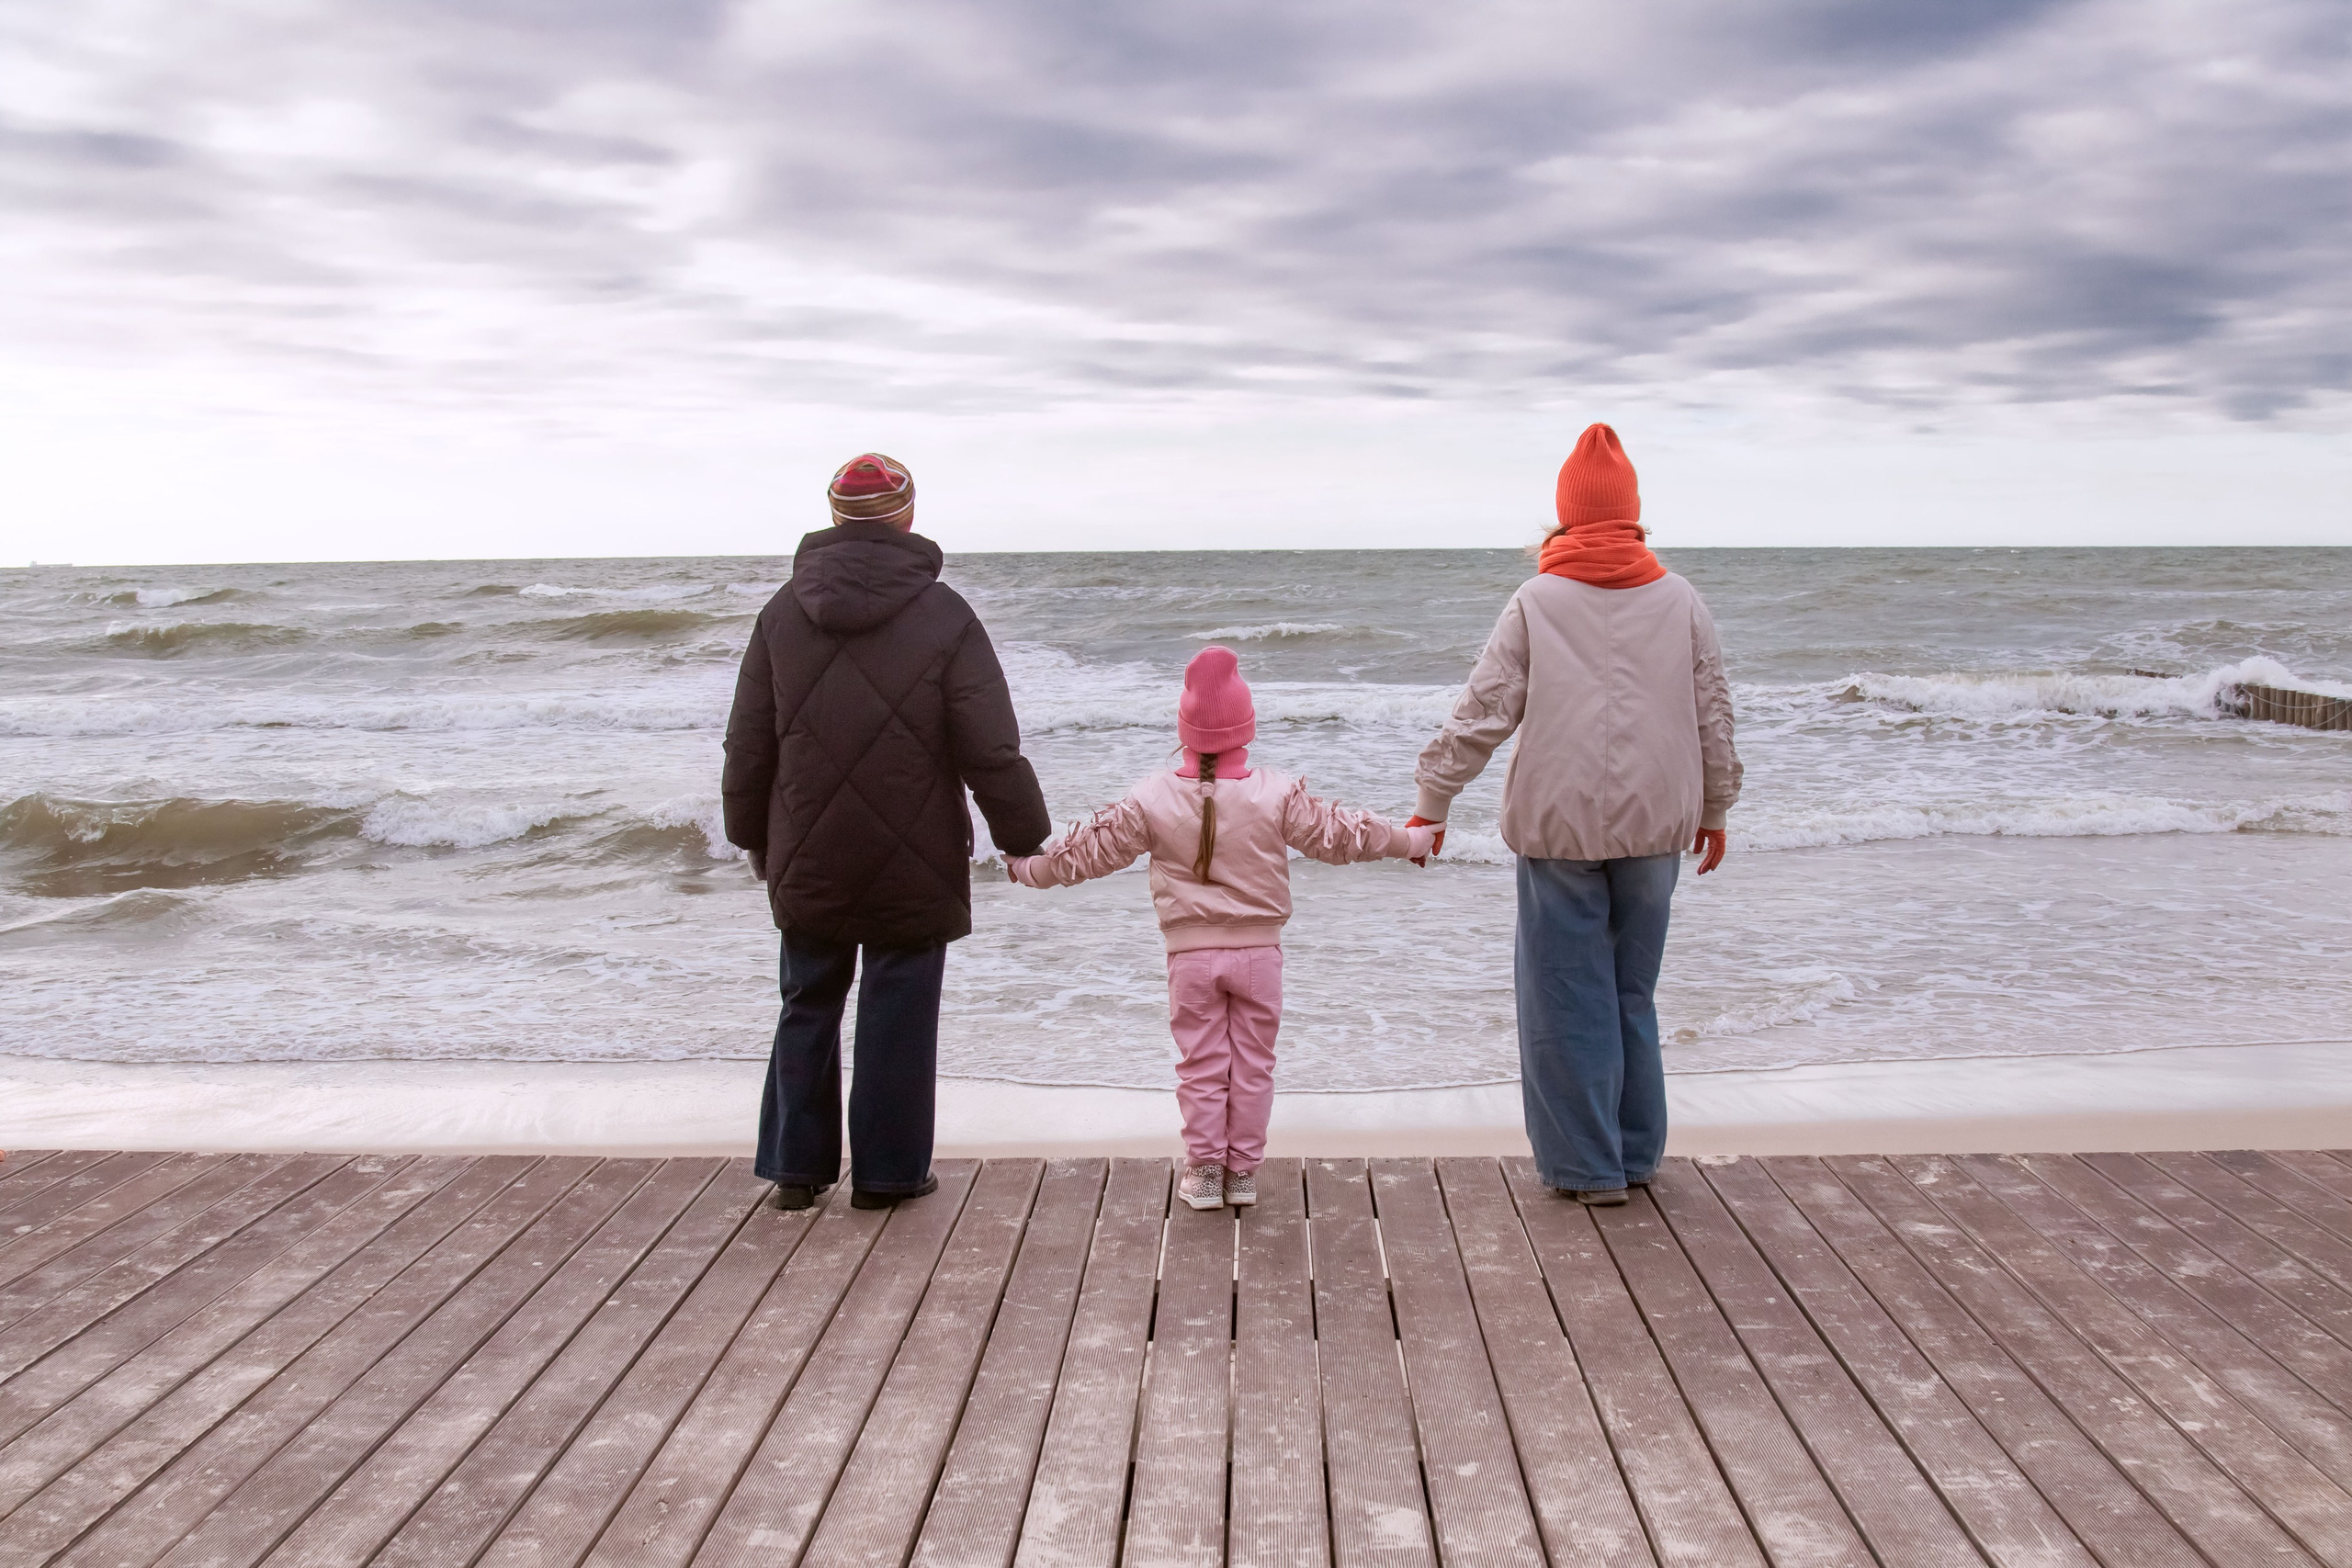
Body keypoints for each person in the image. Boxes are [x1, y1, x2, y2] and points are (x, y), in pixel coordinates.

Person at [1409, 423, 1740, 1205]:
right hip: (1658, 823)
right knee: (1631, 992)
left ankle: (1588, 1169)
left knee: (1565, 994)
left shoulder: (1537, 599)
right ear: (1631, 514)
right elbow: (1713, 714)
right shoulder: (1680, 598)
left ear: (1565, 515)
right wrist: (1717, 804)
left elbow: (1483, 711)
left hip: (1558, 828)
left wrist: (1434, 798)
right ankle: (1633, 1155)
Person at [723, 453, 1050, 1212]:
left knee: (808, 997)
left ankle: (795, 1172)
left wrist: (749, 835)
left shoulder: (780, 612)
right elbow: (989, 746)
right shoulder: (945, 615)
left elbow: (749, 742)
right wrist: (1024, 836)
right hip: (915, 850)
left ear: (835, 516)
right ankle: (888, 1174)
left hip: (806, 844)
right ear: (907, 516)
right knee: (899, 1002)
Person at [1002, 646, 1438, 1211]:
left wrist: (1029, 868)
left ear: (1184, 726)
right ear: (1245, 728)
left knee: (1202, 1066)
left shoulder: (1151, 796)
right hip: (1260, 957)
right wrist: (1409, 840)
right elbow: (1341, 835)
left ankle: (1205, 1172)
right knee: (1253, 1066)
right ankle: (1243, 1175)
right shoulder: (1278, 792)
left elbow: (1090, 852)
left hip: (1191, 960)